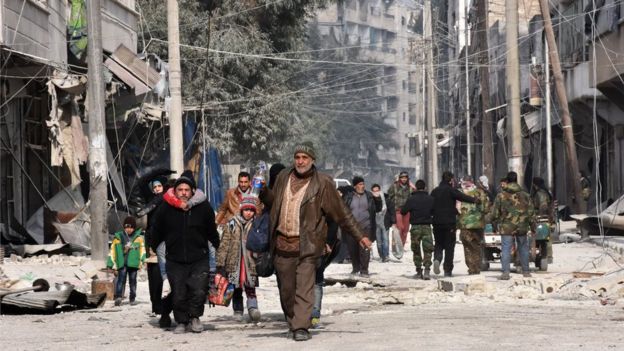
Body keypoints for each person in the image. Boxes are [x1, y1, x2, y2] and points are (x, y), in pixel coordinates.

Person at [260, 143, 372, 342]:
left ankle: (301, 327)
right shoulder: (284, 177)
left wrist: (360, 236)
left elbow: (342, 213)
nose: (300, 161)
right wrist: (262, 192)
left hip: (308, 246)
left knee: (304, 288)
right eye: (297, 157)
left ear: (312, 160)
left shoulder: (322, 183)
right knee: (287, 291)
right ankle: (293, 321)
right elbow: (274, 202)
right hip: (282, 246)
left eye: (304, 157)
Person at [152, 170, 220, 334]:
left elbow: (211, 229)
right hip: (175, 259)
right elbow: (157, 228)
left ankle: (195, 317)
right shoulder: (166, 207)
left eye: (186, 190)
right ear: (175, 191)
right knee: (179, 292)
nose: (183, 193)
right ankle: (181, 321)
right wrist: (155, 245)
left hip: (199, 257)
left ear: (193, 191)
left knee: (198, 290)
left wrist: (216, 245)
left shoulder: (203, 207)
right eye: (180, 190)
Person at [216, 195, 262, 323]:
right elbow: (224, 243)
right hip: (234, 261)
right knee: (236, 287)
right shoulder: (232, 223)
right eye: (246, 209)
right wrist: (220, 262)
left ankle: (253, 308)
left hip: (250, 261)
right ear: (241, 210)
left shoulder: (256, 224)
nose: (248, 213)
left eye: (251, 210)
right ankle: (238, 310)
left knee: (250, 286)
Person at [430, 171, 478, 277]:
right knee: (449, 247)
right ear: (451, 180)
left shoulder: (435, 191)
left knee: (438, 244)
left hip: (437, 222)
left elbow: (431, 206)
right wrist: (474, 200)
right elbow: (462, 197)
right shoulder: (451, 190)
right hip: (449, 223)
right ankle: (447, 270)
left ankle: (437, 259)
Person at [491, 171, 535, 280]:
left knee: (506, 248)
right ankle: (526, 271)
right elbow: (531, 213)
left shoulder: (501, 196)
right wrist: (533, 226)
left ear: (507, 181)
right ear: (516, 180)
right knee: (523, 248)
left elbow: (495, 213)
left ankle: (506, 272)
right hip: (522, 226)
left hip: (506, 227)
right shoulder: (525, 195)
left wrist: (493, 223)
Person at [342, 176, 382, 278]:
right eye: (360, 184)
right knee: (353, 248)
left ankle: (364, 270)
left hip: (366, 226)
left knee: (365, 248)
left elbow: (378, 209)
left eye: (363, 184)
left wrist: (378, 199)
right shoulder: (349, 196)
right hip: (352, 228)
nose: (362, 186)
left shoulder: (369, 196)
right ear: (355, 186)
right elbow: (343, 210)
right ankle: (356, 268)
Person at [108, 216, 146, 306]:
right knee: (121, 280)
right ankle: (118, 297)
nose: (129, 229)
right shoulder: (119, 237)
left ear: (134, 228)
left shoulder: (139, 238)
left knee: (133, 281)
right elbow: (112, 251)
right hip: (122, 263)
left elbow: (142, 251)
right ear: (124, 227)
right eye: (127, 227)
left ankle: (132, 298)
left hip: (133, 264)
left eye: (131, 227)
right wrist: (110, 263)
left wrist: (143, 261)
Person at [401, 179, 434, 279]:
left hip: (415, 227)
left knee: (416, 249)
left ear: (416, 187)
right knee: (428, 249)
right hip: (427, 226)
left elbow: (403, 211)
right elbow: (434, 211)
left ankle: (419, 271)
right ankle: (427, 270)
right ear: (425, 188)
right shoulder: (430, 199)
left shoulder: (411, 199)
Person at [457, 175, 490, 275]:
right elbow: (486, 209)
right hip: (478, 224)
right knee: (477, 245)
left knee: (467, 246)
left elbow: (456, 209)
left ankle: (471, 267)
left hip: (464, 224)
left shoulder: (459, 192)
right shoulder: (480, 192)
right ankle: (477, 267)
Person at [387, 171, 414, 246]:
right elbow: (389, 195)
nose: (404, 179)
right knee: (400, 228)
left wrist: (412, 186)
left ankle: (402, 245)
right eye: (402, 178)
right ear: (399, 178)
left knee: (405, 230)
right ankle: (396, 243)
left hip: (407, 211)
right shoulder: (394, 186)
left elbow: (415, 195)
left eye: (405, 178)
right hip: (397, 210)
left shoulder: (410, 187)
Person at [531, 177, 554, 263]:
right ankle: (548, 255)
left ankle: (548, 256)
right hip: (546, 218)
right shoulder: (545, 192)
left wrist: (537, 215)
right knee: (547, 237)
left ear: (535, 185)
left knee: (544, 237)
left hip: (542, 218)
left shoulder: (540, 194)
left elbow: (543, 206)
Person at [371, 183, 389, 262]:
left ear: (380, 190)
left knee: (385, 240)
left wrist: (392, 221)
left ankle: (386, 256)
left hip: (385, 223)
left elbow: (391, 211)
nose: (376, 192)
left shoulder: (386, 199)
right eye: (374, 191)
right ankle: (381, 255)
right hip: (375, 223)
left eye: (377, 190)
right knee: (379, 241)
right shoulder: (370, 200)